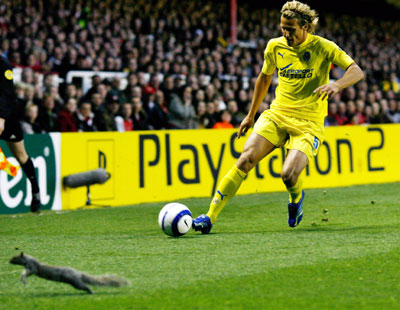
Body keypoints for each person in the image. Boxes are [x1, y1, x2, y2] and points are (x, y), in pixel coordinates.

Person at [192, 0, 364, 234]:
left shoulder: (324, 47)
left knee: (288, 175)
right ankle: (209, 216)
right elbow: (264, 78)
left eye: (290, 29)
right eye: (283, 28)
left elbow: (356, 70)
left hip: (308, 123)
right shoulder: (275, 46)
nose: (285, 33)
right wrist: (250, 115)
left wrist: (337, 85)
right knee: (245, 159)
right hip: (277, 115)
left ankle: (296, 198)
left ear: (305, 26)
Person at [0, 55, 42, 212]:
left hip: (6, 117)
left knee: (21, 155)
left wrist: (2, 118)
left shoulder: (3, 64)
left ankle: (35, 190)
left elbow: (7, 95)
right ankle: (9, 168)